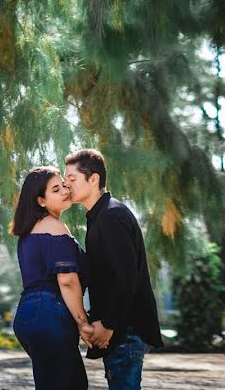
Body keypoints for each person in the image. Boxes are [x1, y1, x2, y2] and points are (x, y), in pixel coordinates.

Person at [65, 149, 163, 390]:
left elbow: (126, 276)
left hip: (126, 330)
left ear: (94, 178)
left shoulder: (111, 215)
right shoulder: (100, 216)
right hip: (120, 330)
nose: (67, 185)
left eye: (72, 178)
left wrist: (107, 324)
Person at [12, 166, 92, 390]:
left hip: (28, 315)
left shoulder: (27, 234)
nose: (65, 191)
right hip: (50, 314)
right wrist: (83, 323)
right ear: (41, 201)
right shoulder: (55, 227)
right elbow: (67, 281)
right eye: (56, 190)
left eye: (64, 186)